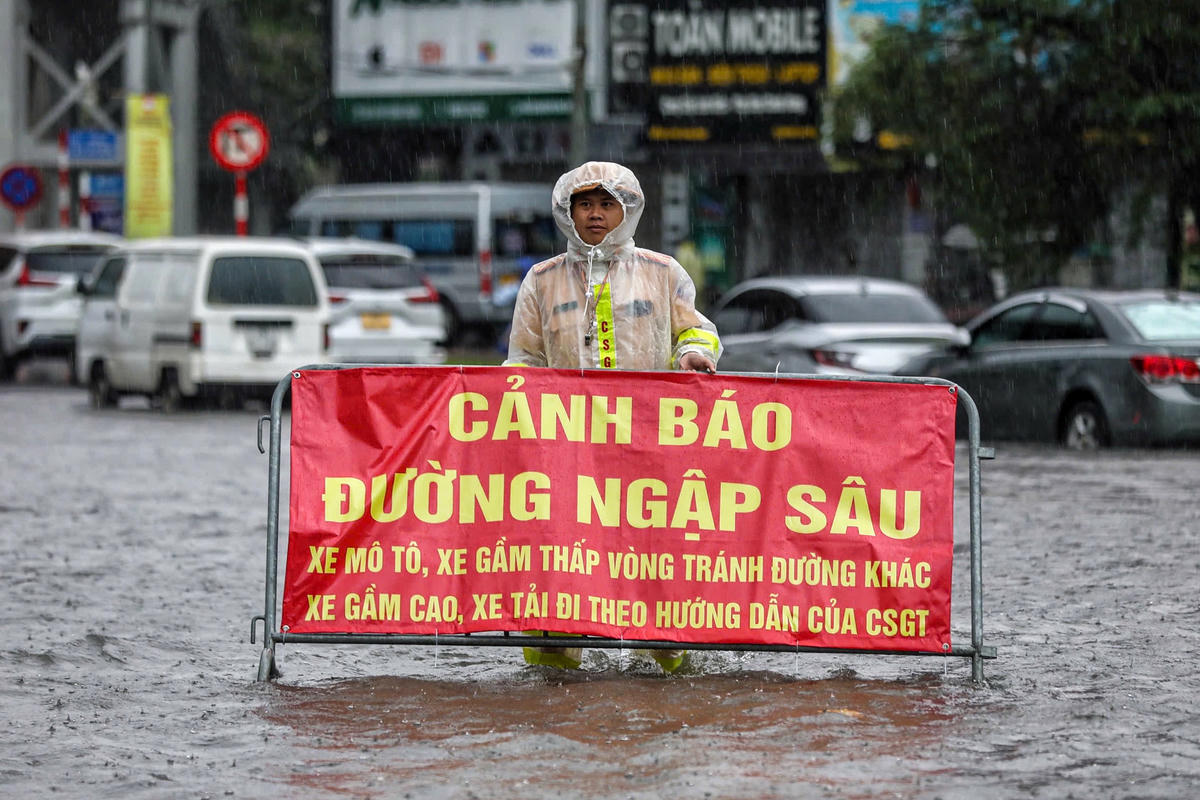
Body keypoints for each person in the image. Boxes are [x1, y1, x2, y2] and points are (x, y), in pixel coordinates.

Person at [504, 161, 722, 672]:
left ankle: (667, 665)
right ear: (568, 212)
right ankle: (552, 679)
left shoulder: (663, 272)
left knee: (655, 562)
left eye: (606, 204)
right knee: (561, 563)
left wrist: (693, 354)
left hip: (650, 447)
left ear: (628, 209)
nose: (595, 214)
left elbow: (695, 330)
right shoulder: (541, 280)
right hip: (565, 450)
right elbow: (523, 360)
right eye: (585, 204)